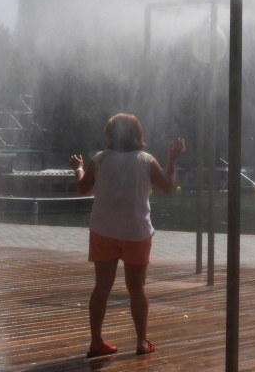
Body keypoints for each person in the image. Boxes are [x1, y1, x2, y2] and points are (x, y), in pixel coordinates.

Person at [69, 113, 186, 359]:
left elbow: (83, 188)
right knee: (137, 288)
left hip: (103, 230)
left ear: (110, 135)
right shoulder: (145, 160)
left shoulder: (99, 160)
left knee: (102, 287)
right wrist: (172, 158)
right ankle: (142, 341)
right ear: (137, 134)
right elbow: (167, 187)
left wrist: (78, 168)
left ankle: (96, 342)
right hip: (136, 232)